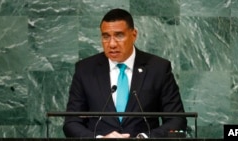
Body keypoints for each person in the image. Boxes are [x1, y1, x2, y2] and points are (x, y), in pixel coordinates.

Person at [63, 8, 187, 138]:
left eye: (119, 35)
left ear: (134, 35)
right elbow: (71, 122)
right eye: (106, 37)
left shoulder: (158, 68)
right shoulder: (85, 70)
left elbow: (177, 120)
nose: (112, 44)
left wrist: (144, 138)